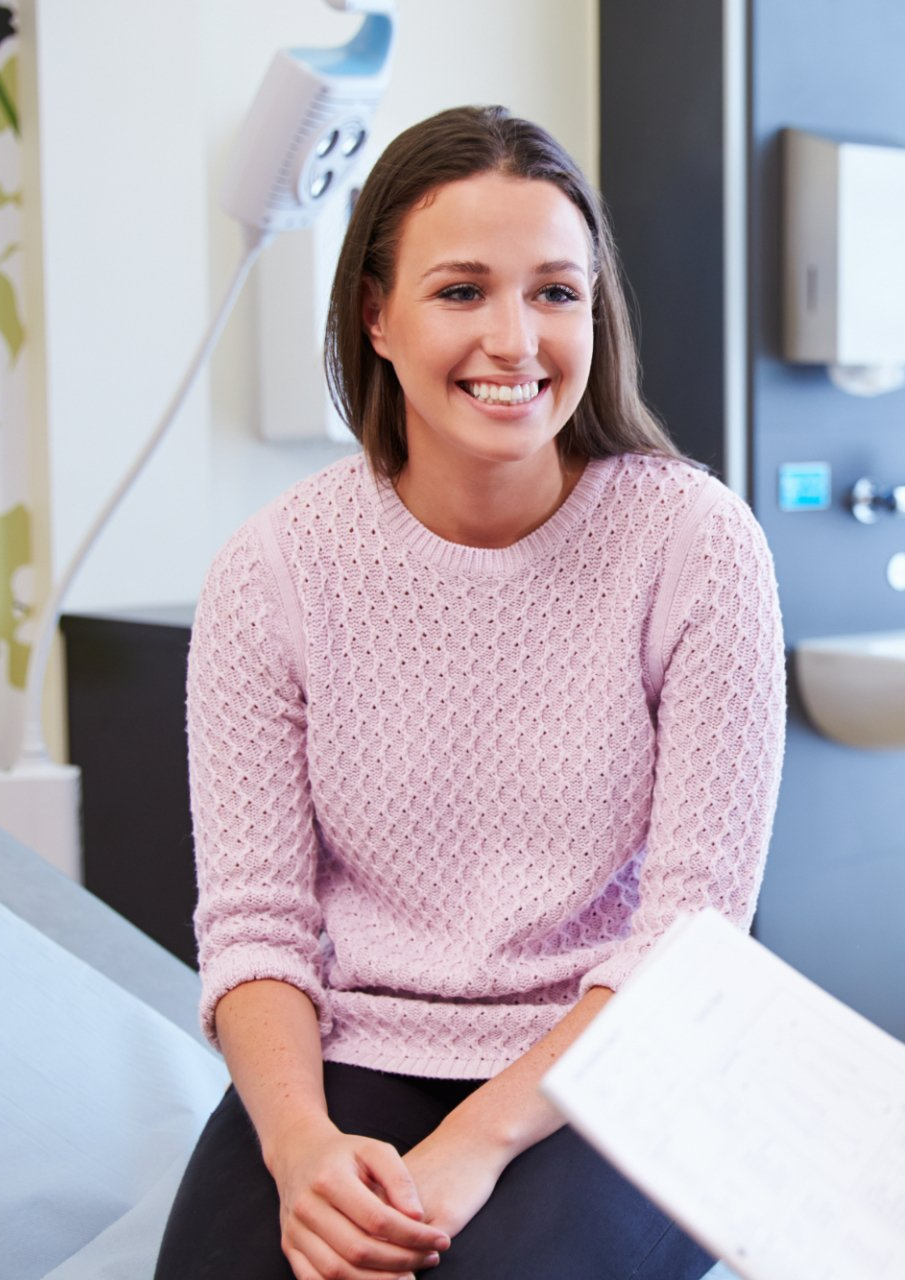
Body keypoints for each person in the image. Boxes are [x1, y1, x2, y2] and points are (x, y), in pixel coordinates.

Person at [155, 106, 785, 1280]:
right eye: (461, 291)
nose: (517, 338)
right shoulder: (272, 572)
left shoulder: (696, 546)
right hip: (362, 1045)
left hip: (622, 1052)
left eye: (556, 291)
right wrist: (300, 1147)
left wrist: (472, 1144)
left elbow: (692, 937)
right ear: (376, 316)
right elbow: (254, 926)